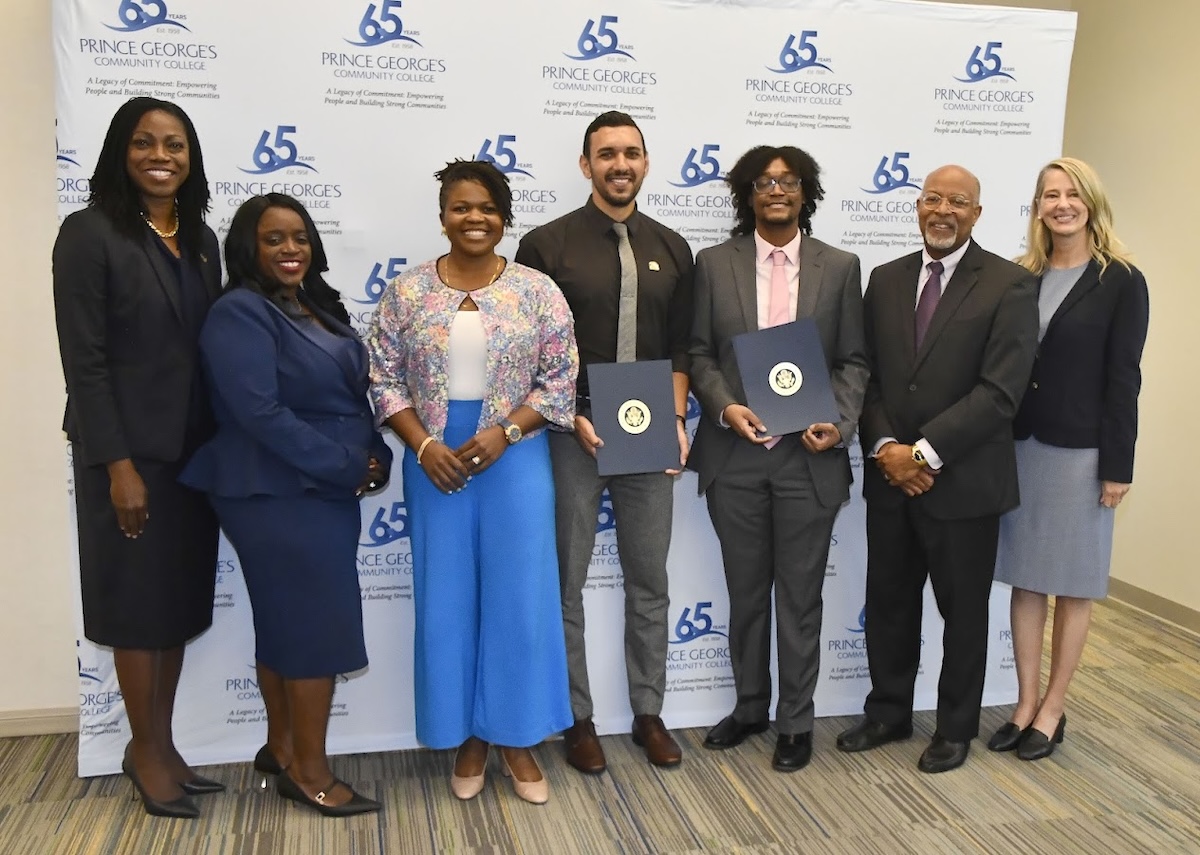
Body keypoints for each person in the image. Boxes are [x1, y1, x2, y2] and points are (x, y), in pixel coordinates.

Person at [367, 160, 577, 805]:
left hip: (515, 457)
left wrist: (504, 433)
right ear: (442, 215)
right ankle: (466, 737)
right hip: (435, 461)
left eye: (487, 207)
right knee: (448, 600)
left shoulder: (538, 290)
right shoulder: (405, 294)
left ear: (505, 216)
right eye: (461, 207)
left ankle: (514, 737)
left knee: (519, 598)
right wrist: (424, 444)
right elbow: (382, 377)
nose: (475, 218)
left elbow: (560, 379)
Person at [180, 194, 390, 817]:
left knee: (287, 622)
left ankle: (280, 747)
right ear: (248, 247)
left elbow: (356, 395)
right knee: (315, 626)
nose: (290, 248)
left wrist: (374, 451)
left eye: (298, 236)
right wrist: (348, 464)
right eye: (273, 239)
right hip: (273, 487)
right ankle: (311, 771)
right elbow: (258, 414)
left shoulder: (316, 307)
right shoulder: (238, 314)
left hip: (319, 487)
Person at [836, 165, 1039, 773]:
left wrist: (921, 454)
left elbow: (1001, 393)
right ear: (917, 208)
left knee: (963, 611)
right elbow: (864, 375)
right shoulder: (886, 279)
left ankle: (955, 727)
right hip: (891, 479)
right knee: (891, 600)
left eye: (958, 202)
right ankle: (889, 712)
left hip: (965, 485)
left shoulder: (1009, 285)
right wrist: (887, 451)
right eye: (932, 200)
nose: (943, 210)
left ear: (977, 214)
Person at [53, 97, 223, 818]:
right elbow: (84, 361)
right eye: (147, 142)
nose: (162, 155)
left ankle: (161, 740)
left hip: (194, 454)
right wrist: (117, 463)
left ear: (191, 158)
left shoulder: (203, 239)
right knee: (135, 607)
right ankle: (144, 749)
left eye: (176, 144)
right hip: (126, 455)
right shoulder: (89, 233)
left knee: (177, 603)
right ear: (121, 151)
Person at [515, 111, 694, 774]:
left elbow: (681, 347)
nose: (620, 164)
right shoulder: (545, 245)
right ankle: (577, 717)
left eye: (632, 153)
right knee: (566, 581)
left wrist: (676, 420)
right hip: (572, 432)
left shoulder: (674, 247)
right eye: (606, 154)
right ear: (586, 164)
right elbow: (532, 349)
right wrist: (568, 412)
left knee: (651, 578)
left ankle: (649, 712)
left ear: (645, 163)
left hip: (650, 433)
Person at [688, 145, 868, 772]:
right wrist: (723, 407)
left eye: (788, 181)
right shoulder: (713, 264)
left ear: (805, 191)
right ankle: (749, 706)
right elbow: (700, 354)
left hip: (808, 458)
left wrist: (838, 422)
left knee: (799, 598)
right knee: (744, 593)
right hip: (735, 454)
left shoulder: (841, 266)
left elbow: (854, 361)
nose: (776, 190)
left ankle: (796, 720)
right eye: (764, 182)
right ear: (748, 193)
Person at [987, 158, 1149, 761]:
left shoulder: (1122, 280)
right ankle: (1024, 705)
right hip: (1022, 446)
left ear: (1091, 202)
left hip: (1082, 455)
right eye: (1050, 194)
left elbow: (1124, 377)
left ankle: (1054, 711)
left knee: (1073, 588)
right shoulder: (1022, 276)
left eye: (1072, 193)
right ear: (1037, 206)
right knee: (1027, 583)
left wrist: (1118, 466)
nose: (1062, 204)